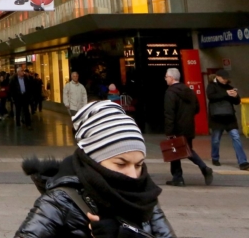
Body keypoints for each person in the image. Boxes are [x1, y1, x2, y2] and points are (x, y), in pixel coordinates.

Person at [16, 100, 176, 238]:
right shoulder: (59, 202)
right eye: (121, 164)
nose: (133, 175)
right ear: (92, 159)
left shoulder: (145, 196)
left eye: (138, 164)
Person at [164, 68, 212, 187]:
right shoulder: (189, 91)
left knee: (177, 151)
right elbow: (197, 108)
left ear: (171, 78)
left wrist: (169, 131)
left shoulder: (170, 92)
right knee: (184, 150)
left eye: (166, 77)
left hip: (176, 127)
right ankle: (178, 177)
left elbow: (169, 113)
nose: (165, 79)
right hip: (188, 126)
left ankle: (199, 169)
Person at [206, 69, 249, 171]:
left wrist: (235, 96)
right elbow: (211, 97)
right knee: (216, 140)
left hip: (229, 117)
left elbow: (237, 102)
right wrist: (226, 94)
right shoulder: (211, 86)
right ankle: (215, 157)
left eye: (226, 79)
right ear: (217, 77)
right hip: (217, 117)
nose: (225, 80)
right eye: (223, 78)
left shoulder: (229, 87)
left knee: (236, 137)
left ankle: (243, 162)